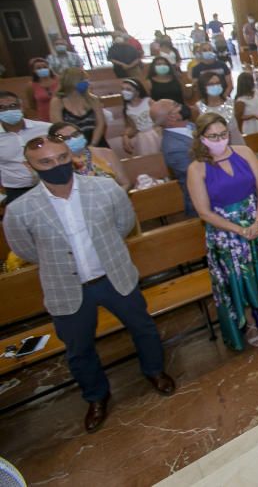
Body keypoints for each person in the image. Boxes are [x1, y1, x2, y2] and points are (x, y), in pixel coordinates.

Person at [3, 136, 175, 433]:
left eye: (61, 158)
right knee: (79, 348)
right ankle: (96, 396)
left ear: (71, 156)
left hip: (113, 275)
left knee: (142, 327)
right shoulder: (21, 210)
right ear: (29, 166)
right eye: (45, 162)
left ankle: (155, 371)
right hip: (67, 287)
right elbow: (27, 250)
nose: (56, 165)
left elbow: (123, 224)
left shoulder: (104, 188)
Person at [187, 113, 258, 350]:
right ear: (201, 138)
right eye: (213, 136)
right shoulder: (197, 168)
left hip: (257, 221)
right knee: (238, 278)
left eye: (223, 134)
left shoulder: (244, 153)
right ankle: (249, 323)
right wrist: (238, 229)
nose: (219, 140)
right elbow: (204, 212)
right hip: (225, 232)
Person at [0, 91, 51, 204]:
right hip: (16, 191)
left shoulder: (46, 129)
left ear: (21, 107)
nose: (8, 111)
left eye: (13, 106)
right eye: (1, 108)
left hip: (50, 185)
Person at [49, 122, 130, 189]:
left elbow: (125, 184)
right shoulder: (58, 166)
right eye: (66, 138)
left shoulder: (106, 153)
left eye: (75, 134)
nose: (73, 139)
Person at [150, 99, 196, 216]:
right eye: (176, 105)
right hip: (203, 198)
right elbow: (195, 174)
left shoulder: (191, 125)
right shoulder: (173, 148)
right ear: (170, 118)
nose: (181, 105)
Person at [50, 68, 106, 148]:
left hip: (96, 142)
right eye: (83, 80)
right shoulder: (58, 102)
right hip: (72, 143)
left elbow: (100, 124)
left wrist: (93, 145)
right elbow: (59, 128)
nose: (86, 82)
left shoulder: (93, 99)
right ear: (72, 82)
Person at [121, 79, 161, 157]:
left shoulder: (148, 101)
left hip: (156, 132)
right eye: (122, 89)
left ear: (137, 91)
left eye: (128, 89)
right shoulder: (127, 109)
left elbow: (161, 115)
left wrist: (158, 127)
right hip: (143, 137)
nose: (124, 92)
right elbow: (133, 127)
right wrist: (125, 136)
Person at [26, 57, 58, 122]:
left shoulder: (58, 80)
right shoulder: (31, 85)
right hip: (45, 117)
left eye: (45, 67)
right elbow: (32, 105)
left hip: (62, 114)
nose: (42, 69)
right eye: (38, 68)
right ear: (33, 71)